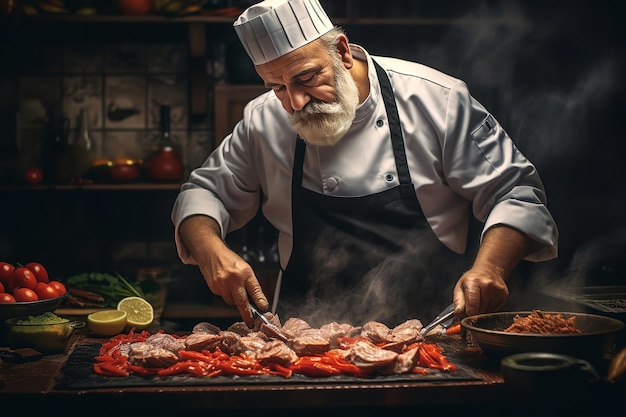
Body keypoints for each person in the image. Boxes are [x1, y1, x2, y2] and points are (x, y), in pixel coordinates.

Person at [171, 0, 558, 328]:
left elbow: (516, 192)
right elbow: (203, 192)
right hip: (302, 340)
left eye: (306, 77)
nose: (296, 102)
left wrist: (489, 269)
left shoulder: (437, 99)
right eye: (277, 87)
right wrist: (211, 250)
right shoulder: (264, 119)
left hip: (431, 331)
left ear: (341, 50)